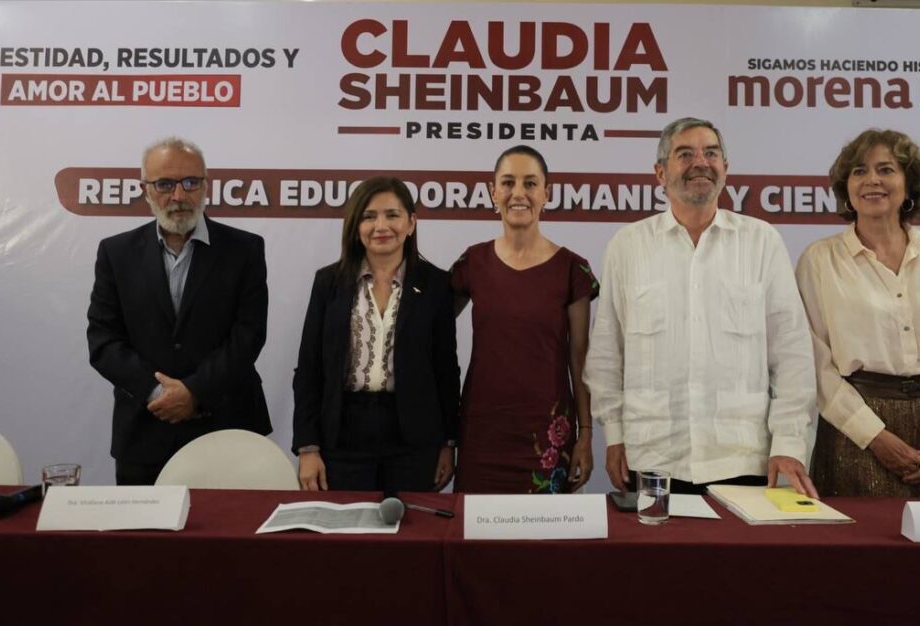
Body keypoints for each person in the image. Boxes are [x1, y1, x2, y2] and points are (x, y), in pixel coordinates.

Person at [585, 117, 817, 496]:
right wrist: (614, 434)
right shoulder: (628, 246)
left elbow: (792, 355)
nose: (701, 163)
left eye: (711, 153)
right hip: (653, 457)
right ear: (660, 173)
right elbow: (607, 353)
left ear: (725, 167)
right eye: (685, 154)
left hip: (743, 458)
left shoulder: (761, 242)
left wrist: (789, 443)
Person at [795, 129, 920, 498]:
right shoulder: (819, 260)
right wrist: (874, 436)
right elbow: (816, 365)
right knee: (862, 537)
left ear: (909, 183)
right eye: (859, 171)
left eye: (886, 169)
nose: (872, 180)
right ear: (846, 187)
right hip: (856, 435)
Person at [87, 137, 271, 485]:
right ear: (145, 190)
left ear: (206, 185)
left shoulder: (245, 250)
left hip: (229, 427)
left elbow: (248, 335)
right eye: (164, 184)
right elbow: (103, 341)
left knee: (234, 523)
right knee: (144, 523)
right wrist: (159, 393)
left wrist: (194, 392)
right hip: (145, 431)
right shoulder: (116, 253)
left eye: (190, 182)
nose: (178, 195)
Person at [292, 177, 459, 492]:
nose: (381, 226)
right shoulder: (328, 283)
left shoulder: (436, 285)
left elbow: (446, 370)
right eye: (369, 216)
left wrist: (448, 443)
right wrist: (307, 447)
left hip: (414, 440)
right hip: (342, 437)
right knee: (348, 523)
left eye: (392, 215)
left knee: (410, 523)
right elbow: (309, 369)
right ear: (356, 226)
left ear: (411, 223)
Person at [451, 145, 598, 494]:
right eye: (508, 183)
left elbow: (580, 359)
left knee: (545, 532)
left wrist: (586, 435)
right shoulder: (473, 263)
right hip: (481, 435)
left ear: (547, 193)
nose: (519, 193)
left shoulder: (572, 270)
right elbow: (429, 332)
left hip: (548, 439)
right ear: (493, 192)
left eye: (530, 183)